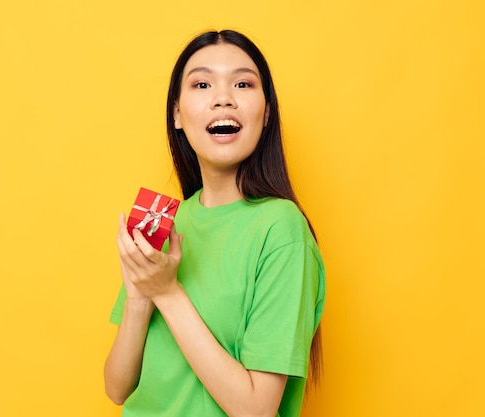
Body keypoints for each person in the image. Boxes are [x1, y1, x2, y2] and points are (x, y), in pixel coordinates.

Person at [104, 29, 326, 417]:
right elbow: (117, 387)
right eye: (202, 84)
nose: (223, 98)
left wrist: (168, 293)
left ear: (267, 111)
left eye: (242, 83)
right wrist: (140, 295)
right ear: (177, 113)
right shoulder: (170, 220)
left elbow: (256, 409)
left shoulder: (282, 230)